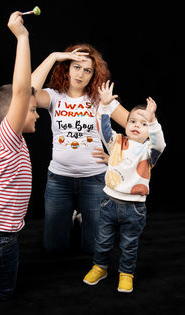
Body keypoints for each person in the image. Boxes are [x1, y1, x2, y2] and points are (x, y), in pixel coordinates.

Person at [32, 44, 129, 253]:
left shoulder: (99, 100)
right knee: (54, 249)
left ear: (94, 75)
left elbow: (133, 125)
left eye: (87, 70)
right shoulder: (54, 96)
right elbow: (27, 92)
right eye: (76, 67)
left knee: (94, 249)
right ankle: (76, 219)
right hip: (59, 178)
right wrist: (53, 56)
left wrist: (115, 156)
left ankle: (82, 219)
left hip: (94, 178)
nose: (81, 74)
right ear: (66, 67)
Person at [83, 81, 166, 292]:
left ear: (149, 130)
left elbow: (160, 143)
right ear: (126, 124)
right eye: (133, 121)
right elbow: (103, 128)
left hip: (134, 209)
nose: (137, 125)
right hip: (109, 202)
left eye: (143, 123)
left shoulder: (149, 152)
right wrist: (103, 105)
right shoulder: (117, 142)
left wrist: (153, 120)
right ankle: (100, 267)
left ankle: (126, 273)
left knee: (129, 246)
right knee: (102, 241)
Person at [0, 11, 39, 301]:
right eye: (32, 110)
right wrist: (22, 37)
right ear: (13, 116)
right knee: (2, 290)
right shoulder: (8, 140)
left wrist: (53, 57)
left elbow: (29, 89)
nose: (36, 113)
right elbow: (21, 92)